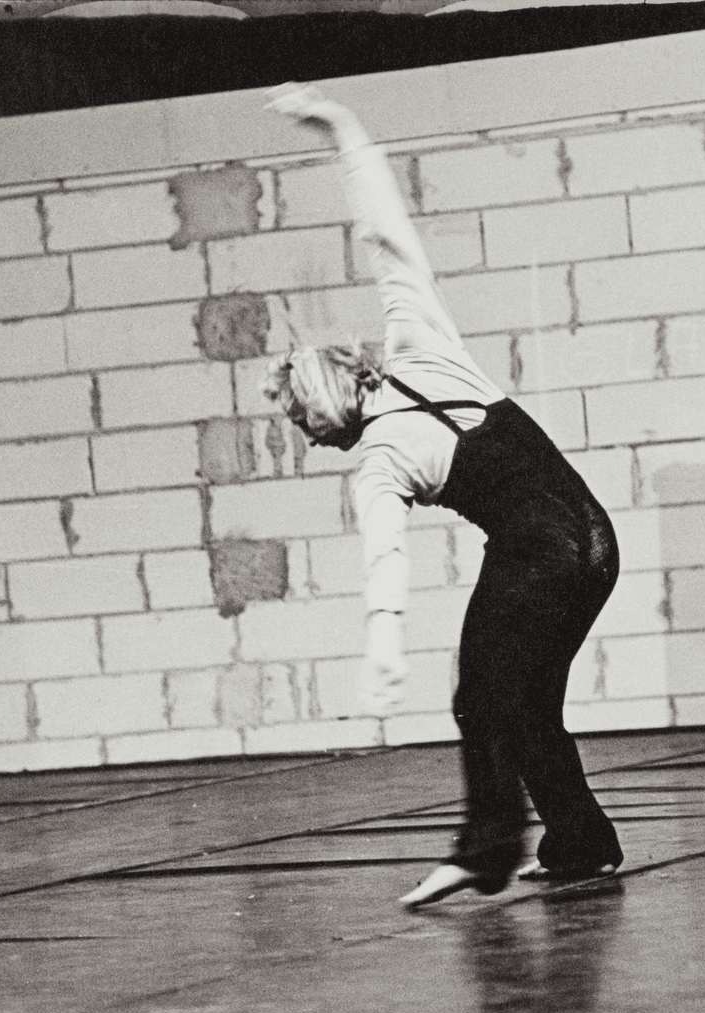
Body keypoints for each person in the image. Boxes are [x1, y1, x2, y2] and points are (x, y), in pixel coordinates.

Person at [262, 85, 624, 908]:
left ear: (330, 391)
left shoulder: (381, 454)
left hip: (545, 549)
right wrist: (346, 130)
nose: (306, 433)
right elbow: (389, 239)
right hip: (596, 539)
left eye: (301, 416)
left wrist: (384, 642)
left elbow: (385, 553)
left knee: (482, 692)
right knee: (523, 698)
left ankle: (485, 851)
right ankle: (580, 840)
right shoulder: (419, 340)